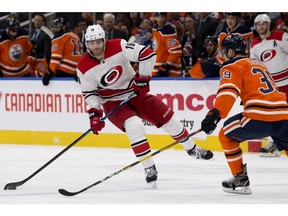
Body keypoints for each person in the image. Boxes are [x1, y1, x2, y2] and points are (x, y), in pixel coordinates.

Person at [76, 24, 214, 187]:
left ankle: (192, 149)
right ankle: (149, 168)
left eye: (98, 42)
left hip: (136, 94)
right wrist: (95, 114)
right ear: (87, 44)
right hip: (113, 103)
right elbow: (90, 93)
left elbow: (146, 54)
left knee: (171, 121)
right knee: (134, 126)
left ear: (104, 40)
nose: (96, 46)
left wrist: (143, 79)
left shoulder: (119, 45)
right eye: (91, 43)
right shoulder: (83, 67)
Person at [200, 34, 288, 195]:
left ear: (232, 52)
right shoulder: (259, 64)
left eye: (226, 51)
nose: (224, 54)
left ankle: (240, 179)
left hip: (260, 116)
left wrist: (216, 113)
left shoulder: (231, 65)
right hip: (284, 114)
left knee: (225, 135)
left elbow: (228, 91)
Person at [250, 13, 288, 157]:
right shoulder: (254, 44)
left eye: (263, 23)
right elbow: (254, 65)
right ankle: (275, 144)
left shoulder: (281, 36)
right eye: (258, 24)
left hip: (286, 83)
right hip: (271, 87)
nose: (260, 26)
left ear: (268, 24)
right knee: (273, 116)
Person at [42, 17, 81, 85]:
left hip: (63, 71)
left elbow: (56, 58)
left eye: (57, 27)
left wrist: (49, 72)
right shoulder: (76, 37)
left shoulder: (59, 37)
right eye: (54, 27)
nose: (55, 29)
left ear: (64, 26)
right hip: (76, 71)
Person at [151, 12, 183, 77]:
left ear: (165, 17)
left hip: (169, 71)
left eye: (162, 17)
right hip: (156, 70)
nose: (160, 19)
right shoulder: (154, 29)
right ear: (155, 17)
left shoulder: (168, 31)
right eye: (158, 17)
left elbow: (176, 51)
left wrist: (167, 65)